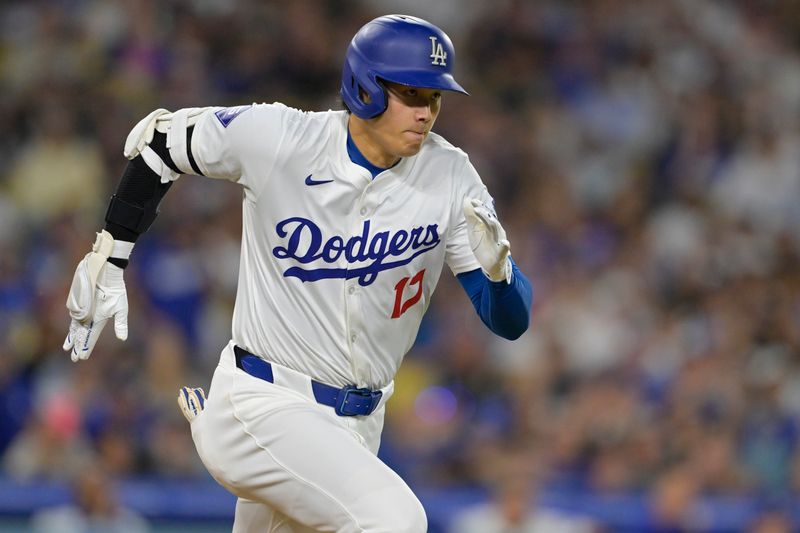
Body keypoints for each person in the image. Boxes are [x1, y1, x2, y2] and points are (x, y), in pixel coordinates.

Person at [64, 14, 533, 533]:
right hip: (264, 402)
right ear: (365, 88)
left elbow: (509, 323)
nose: (426, 113)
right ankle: (224, 429)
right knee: (394, 522)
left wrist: (500, 274)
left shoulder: (449, 173)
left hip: (355, 427)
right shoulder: (282, 137)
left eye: (434, 98)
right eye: (411, 94)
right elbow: (160, 145)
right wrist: (109, 256)